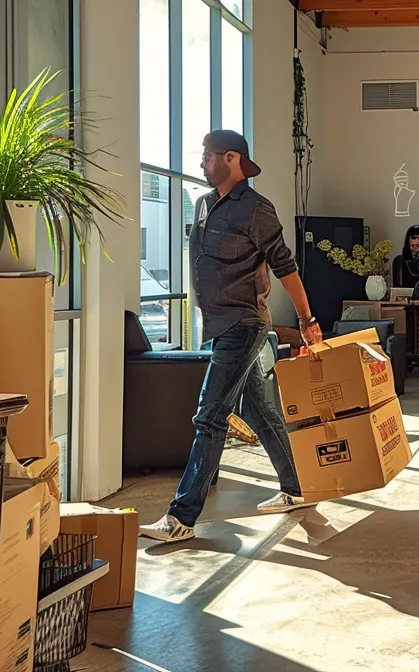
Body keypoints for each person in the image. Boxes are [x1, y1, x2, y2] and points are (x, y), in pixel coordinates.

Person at [139, 129, 325, 543]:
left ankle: (181, 518)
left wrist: (306, 318)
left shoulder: (256, 209)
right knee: (259, 412)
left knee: (209, 417)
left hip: (244, 324)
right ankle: (297, 488)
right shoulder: (204, 204)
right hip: (219, 325)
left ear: (232, 159)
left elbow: (285, 266)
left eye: (208, 156)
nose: (202, 162)